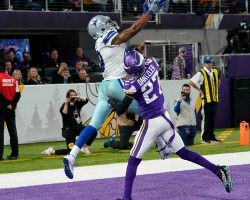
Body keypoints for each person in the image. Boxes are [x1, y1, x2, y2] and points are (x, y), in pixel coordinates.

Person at [63, 0, 171, 179]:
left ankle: (71, 155)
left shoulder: (101, 42)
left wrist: (143, 14)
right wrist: (150, 12)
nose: (110, 24)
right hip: (116, 83)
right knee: (149, 110)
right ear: (100, 29)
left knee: (93, 125)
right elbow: (132, 31)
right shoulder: (106, 38)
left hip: (105, 86)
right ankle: (162, 147)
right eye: (105, 24)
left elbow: (124, 42)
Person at [111, 50, 232, 200]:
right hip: (165, 117)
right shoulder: (153, 64)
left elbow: (122, 108)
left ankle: (126, 198)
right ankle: (218, 170)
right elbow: (145, 66)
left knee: (133, 160)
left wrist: (115, 105)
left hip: (152, 123)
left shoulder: (131, 85)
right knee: (184, 153)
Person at [41, 89, 91, 155]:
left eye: (74, 95)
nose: (73, 97)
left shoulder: (77, 104)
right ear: (68, 97)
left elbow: (86, 100)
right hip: (69, 131)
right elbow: (64, 114)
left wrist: (78, 97)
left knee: (93, 131)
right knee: (70, 151)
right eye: (71, 96)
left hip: (78, 128)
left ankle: (84, 147)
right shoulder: (64, 105)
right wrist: (66, 104)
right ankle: (51, 151)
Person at [189, 56, 220, 144]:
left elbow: (218, 80)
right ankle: (204, 137)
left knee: (212, 118)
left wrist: (215, 89)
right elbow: (191, 82)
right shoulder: (201, 73)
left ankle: (211, 136)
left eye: (210, 62)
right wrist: (199, 90)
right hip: (206, 99)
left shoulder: (215, 71)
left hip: (214, 98)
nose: (210, 64)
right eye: (208, 62)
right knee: (206, 118)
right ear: (205, 63)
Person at [0, 60, 21, 161]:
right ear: (5, 68)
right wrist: (12, 105)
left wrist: (7, 104)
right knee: (13, 131)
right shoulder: (13, 80)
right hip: (11, 110)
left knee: (0, 132)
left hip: (1, 108)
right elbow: (18, 94)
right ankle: (14, 154)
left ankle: (0, 155)